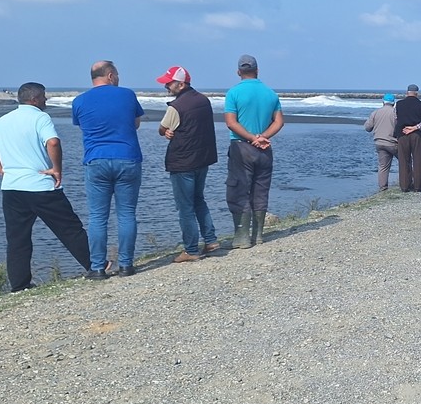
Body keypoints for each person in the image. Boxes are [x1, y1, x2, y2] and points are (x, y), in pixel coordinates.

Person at [0, 82, 94, 290]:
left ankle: (19, 285)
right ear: (34, 99)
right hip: (40, 184)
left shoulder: (5, 120)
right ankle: (96, 266)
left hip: (12, 187)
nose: (46, 100)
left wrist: (0, 169)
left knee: (17, 238)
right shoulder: (40, 117)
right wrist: (56, 168)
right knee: (69, 229)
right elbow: (53, 142)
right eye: (43, 97)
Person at [72, 60, 143, 276]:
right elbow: (136, 123)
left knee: (97, 216)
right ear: (110, 75)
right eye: (118, 74)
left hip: (96, 159)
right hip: (127, 157)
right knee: (127, 214)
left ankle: (97, 267)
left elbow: (83, 126)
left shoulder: (79, 101)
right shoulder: (127, 95)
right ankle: (126, 264)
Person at [156, 66, 219, 263]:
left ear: (181, 84)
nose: (166, 86)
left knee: (185, 207)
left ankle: (191, 249)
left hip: (183, 161)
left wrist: (166, 132)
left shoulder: (177, 106)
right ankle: (210, 240)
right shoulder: (203, 100)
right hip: (203, 158)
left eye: (169, 83)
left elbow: (162, 128)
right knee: (199, 199)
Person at [224, 54, 284, 248]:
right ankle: (258, 235)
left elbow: (231, 123)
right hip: (264, 149)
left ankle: (242, 237)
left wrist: (252, 138)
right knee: (260, 189)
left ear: (238, 72)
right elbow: (279, 121)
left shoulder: (233, 93)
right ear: (257, 71)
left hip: (241, 146)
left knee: (238, 190)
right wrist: (263, 137)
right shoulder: (270, 93)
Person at [394, 84, 421, 192]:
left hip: (402, 134)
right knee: (418, 159)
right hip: (417, 135)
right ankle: (417, 186)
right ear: (417, 93)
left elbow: (396, 119)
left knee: (404, 160)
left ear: (407, 92)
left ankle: (404, 186)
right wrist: (414, 128)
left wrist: (403, 129)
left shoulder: (398, 104)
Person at [363, 94, 399, 192]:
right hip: (393, 142)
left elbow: (367, 128)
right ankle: (409, 181)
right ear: (394, 103)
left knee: (383, 166)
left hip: (379, 142)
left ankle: (383, 188)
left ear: (383, 102)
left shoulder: (375, 113)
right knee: (406, 162)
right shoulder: (396, 113)